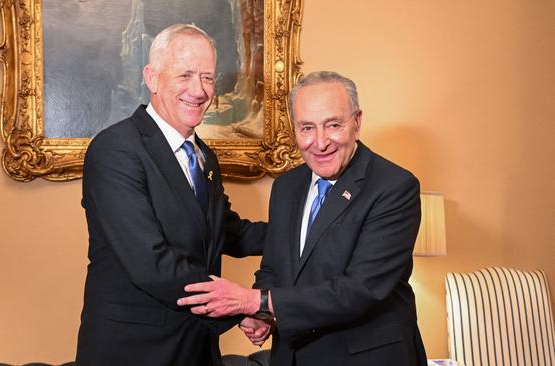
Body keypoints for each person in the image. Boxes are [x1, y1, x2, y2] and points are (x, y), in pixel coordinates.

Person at [178, 71, 427, 365]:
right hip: (294, 354)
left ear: (357, 123)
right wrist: (263, 314)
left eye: (333, 125)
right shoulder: (287, 186)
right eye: (307, 128)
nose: (320, 143)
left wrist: (253, 301)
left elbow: (360, 290)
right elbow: (274, 266)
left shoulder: (394, 187)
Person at [75, 24, 267, 366]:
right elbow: (152, 264)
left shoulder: (203, 156)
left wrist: (304, 230)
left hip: (196, 350)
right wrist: (238, 309)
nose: (199, 90)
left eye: (208, 77)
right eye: (186, 75)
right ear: (152, 78)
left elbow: (227, 231)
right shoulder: (115, 150)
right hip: (134, 352)